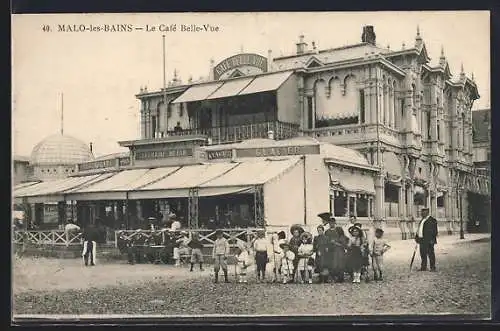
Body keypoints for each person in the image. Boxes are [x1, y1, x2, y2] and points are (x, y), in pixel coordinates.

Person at [414, 207, 438, 272]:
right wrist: (417, 237)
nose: (421, 213)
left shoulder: (433, 220)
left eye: (423, 212)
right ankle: (423, 267)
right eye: (421, 212)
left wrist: (432, 239)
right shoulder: (422, 220)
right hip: (422, 240)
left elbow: (435, 231)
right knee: (423, 254)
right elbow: (419, 229)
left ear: (427, 212)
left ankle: (433, 267)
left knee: (431, 254)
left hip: (429, 240)